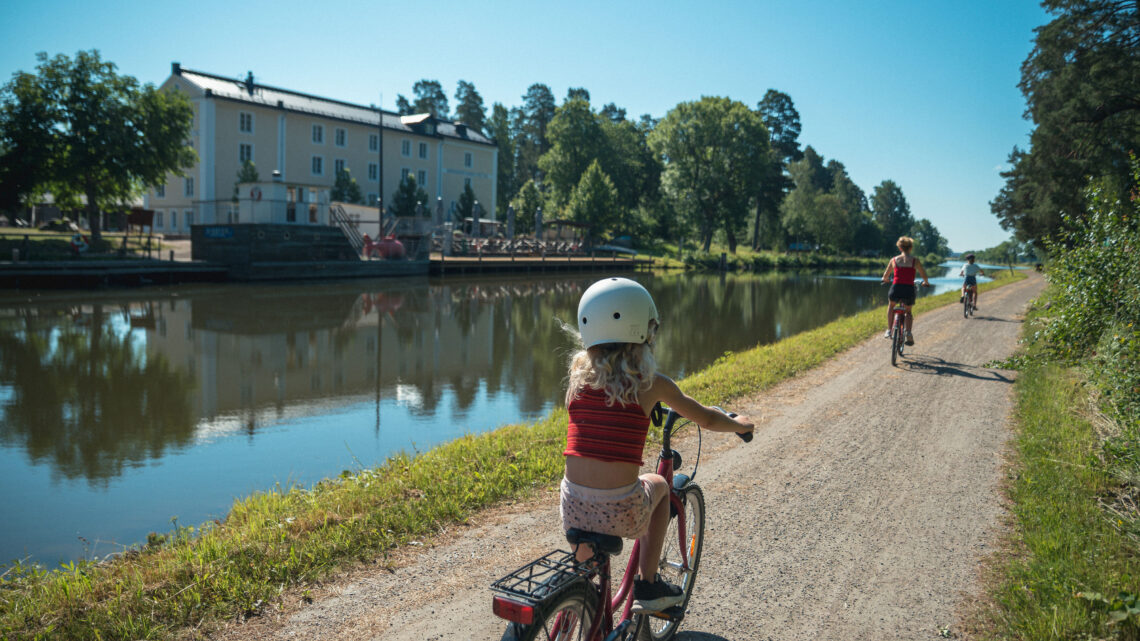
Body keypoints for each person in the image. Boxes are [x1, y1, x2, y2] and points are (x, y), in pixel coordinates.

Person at [561, 277, 755, 614]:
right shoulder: (651, 385)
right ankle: (648, 585)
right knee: (661, 484)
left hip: (572, 507)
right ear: (644, 332)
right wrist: (739, 423)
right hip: (620, 512)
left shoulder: (577, 382)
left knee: (589, 512)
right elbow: (707, 419)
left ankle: (581, 584)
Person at [880, 236, 930, 346]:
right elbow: (923, 274)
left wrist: (886, 279)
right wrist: (926, 282)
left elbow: (885, 276)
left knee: (891, 306)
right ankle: (908, 332)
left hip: (896, 289)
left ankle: (889, 330)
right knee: (908, 312)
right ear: (911, 248)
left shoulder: (894, 260)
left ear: (900, 248)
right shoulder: (915, 261)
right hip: (908, 289)